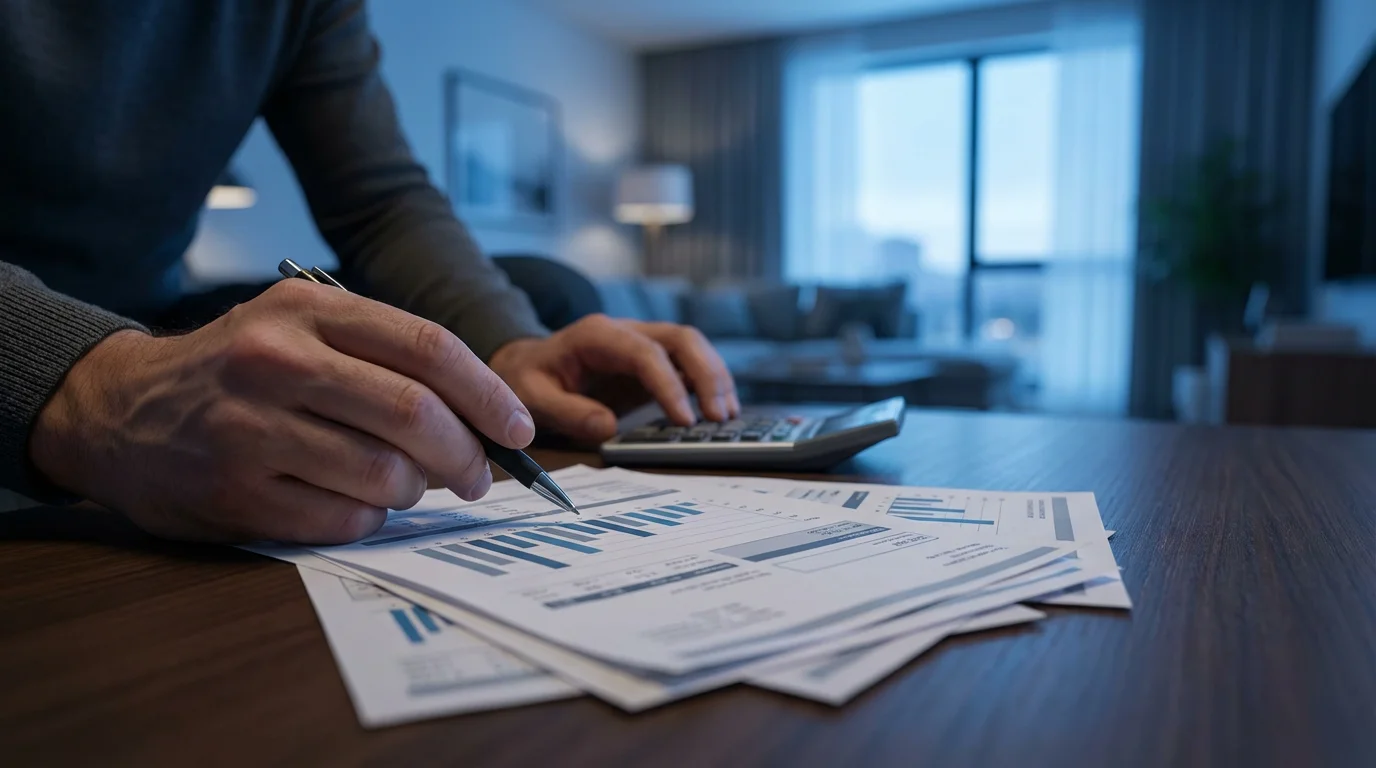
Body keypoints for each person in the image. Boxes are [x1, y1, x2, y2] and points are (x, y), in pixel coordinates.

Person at [0, 1, 738, 544]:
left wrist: (511, 347)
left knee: (545, 289)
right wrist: (92, 390)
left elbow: (383, 202)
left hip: (149, 306)